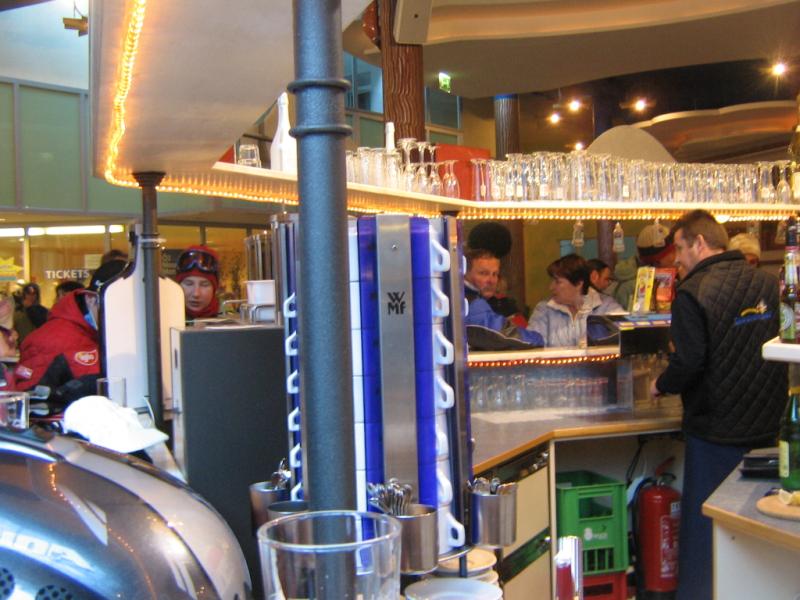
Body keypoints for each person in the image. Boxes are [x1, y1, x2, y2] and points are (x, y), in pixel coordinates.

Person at [649, 210, 786, 600]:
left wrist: (661, 384)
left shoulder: (692, 292)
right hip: (769, 428)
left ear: (699, 243)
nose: (677, 259)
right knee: (761, 528)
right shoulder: (768, 283)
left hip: (716, 430)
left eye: (679, 248)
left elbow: (689, 362)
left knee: (707, 528)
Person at [527, 254, 624, 347]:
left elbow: (625, 337)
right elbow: (532, 347)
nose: (551, 287)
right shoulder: (544, 309)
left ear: (578, 283)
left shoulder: (607, 307)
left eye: (557, 282)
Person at [613, 224, 676, 311]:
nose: (678, 257)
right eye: (675, 250)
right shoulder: (629, 288)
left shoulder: (678, 278)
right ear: (658, 259)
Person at [464, 248, 527, 328]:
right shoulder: (472, 304)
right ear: (465, 274)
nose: (491, 281)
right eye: (484, 273)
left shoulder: (504, 305)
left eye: (495, 274)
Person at [175, 245, 220, 320]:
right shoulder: (161, 320)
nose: (196, 294)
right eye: (189, 284)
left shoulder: (230, 322)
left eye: (204, 285)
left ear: (215, 289)